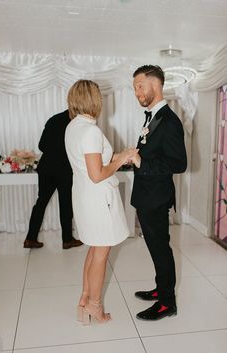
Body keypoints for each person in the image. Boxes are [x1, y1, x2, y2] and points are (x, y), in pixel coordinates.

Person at [65, 79, 138, 324]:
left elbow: (92, 164)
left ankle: (84, 299)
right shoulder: (91, 130)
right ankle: (95, 307)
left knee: (95, 248)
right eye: (99, 97)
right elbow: (97, 174)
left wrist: (121, 156)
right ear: (92, 100)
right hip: (99, 199)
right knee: (101, 253)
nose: (102, 101)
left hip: (85, 196)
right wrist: (120, 161)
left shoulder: (74, 127)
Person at [130, 65, 187, 321]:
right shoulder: (153, 116)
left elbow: (179, 163)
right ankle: (160, 289)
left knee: (160, 249)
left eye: (140, 86)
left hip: (156, 197)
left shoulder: (170, 121)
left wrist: (143, 163)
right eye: (135, 88)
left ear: (156, 84)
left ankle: (167, 303)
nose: (137, 92)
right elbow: (153, 152)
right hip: (146, 195)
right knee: (156, 248)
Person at [23, 110, 83, 250]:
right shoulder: (77, 123)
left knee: (41, 202)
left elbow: (41, 146)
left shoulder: (54, 119)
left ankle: (30, 238)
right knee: (65, 203)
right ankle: (67, 240)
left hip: (46, 168)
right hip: (64, 169)